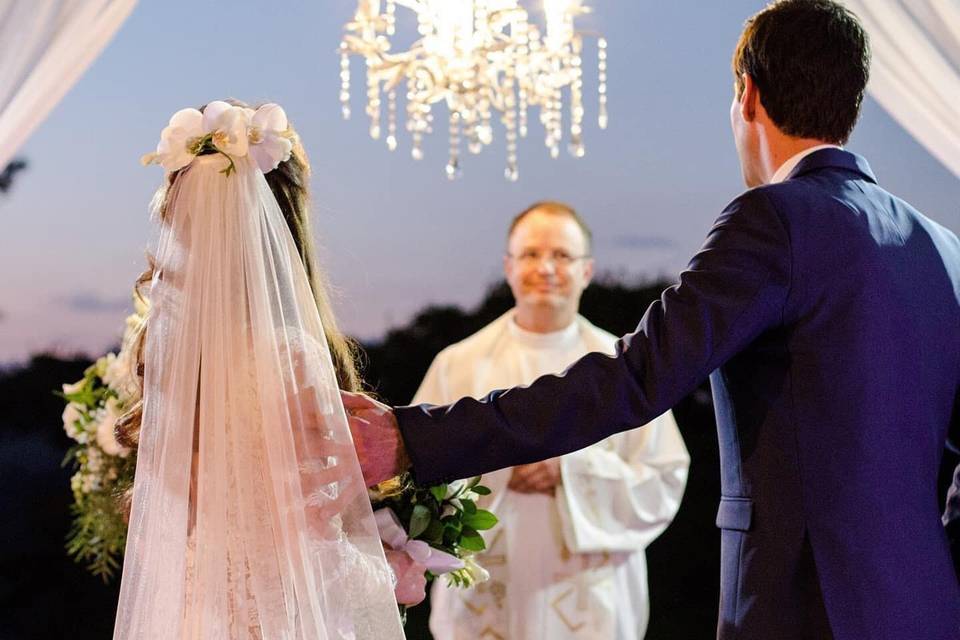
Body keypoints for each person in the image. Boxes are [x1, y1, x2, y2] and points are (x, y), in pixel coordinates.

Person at [342, 2, 960, 639]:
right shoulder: (944, 249)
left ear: (747, 96)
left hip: (801, 607)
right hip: (929, 607)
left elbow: (635, 378)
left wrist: (414, 439)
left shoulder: (774, 218)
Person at [112, 101, 406, 639]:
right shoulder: (289, 358)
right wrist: (393, 573)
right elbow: (314, 552)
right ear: (286, 225)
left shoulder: (171, 355)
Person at [416, 201, 689, 640]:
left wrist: (569, 471)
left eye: (562, 255)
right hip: (487, 602)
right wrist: (503, 468)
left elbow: (664, 480)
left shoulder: (624, 370)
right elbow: (416, 480)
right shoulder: (458, 365)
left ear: (587, 270)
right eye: (530, 254)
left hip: (589, 607)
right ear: (508, 266)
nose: (546, 268)